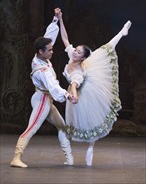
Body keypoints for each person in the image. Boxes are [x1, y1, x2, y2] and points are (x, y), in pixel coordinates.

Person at [58, 9, 132, 166]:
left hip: (83, 92)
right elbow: (65, 38)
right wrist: (61, 19)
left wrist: (74, 96)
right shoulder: (72, 55)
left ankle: (91, 148)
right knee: (78, 123)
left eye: (78, 52)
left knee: (92, 120)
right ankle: (70, 156)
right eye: (75, 50)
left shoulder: (79, 71)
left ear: (83, 57)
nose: (74, 52)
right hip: (77, 92)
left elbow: (73, 84)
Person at [10, 9, 74, 168]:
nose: (52, 51)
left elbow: (48, 38)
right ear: (41, 52)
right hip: (42, 100)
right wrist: (67, 95)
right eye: (50, 50)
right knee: (32, 127)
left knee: (62, 127)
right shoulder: (42, 70)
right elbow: (53, 85)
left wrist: (55, 19)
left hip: (46, 98)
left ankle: (70, 159)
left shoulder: (40, 54)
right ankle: (16, 157)